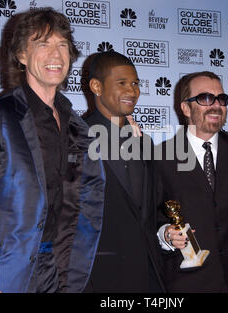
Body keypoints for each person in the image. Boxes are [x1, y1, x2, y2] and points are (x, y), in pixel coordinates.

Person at [0, 8, 105, 293]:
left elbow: (86, 202)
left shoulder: (79, 127)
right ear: (22, 55)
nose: (56, 55)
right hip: (4, 274)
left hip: (63, 273)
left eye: (62, 45)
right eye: (42, 44)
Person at [156, 71, 228, 292]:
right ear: (185, 108)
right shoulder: (161, 158)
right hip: (185, 283)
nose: (216, 105)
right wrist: (166, 234)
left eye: (221, 99)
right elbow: (150, 217)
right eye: (206, 98)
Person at [83, 51, 165, 292]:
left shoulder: (144, 143)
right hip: (96, 277)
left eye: (135, 83)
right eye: (122, 83)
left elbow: (151, 207)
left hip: (146, 276)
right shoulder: (75, 138)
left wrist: (165, 232)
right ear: (97, 86)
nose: (132, 91)